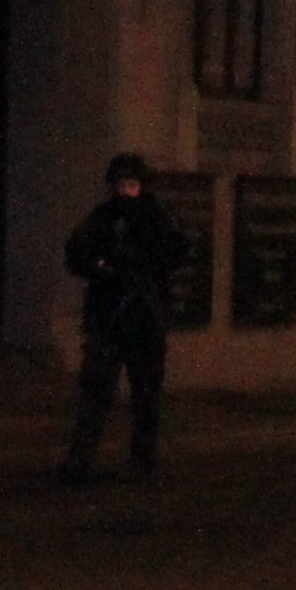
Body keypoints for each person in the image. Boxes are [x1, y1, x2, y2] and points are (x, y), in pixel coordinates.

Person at [59, 151, 191, 483]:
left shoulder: (158, 217)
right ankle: (80, 461)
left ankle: (142, 460)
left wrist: (144, 267)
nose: (127, 190)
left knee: (146, 396)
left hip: (144, 321)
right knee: (95, 393)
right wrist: (102, 267)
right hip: (108, 319)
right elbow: (76, 253)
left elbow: (177, 251)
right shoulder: (102, 217)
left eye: (133, 184)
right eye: (122, 184)